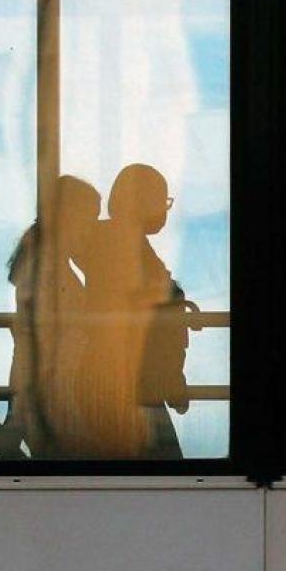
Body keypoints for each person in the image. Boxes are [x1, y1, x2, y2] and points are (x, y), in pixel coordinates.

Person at [78, 164, 198, 458]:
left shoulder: (114, 239)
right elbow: (144, 307)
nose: (165, 210)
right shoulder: (121, 243)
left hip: (131, 382)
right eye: (163, 201)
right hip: (132, 385)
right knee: (168, 481)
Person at [2, 175, 101, 457]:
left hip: (52, 389)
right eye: (89, 219)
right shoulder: (49, 271)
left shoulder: (44, 264)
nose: (91, 229)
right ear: (68, 218)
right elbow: (43, 339)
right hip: (56, 393)